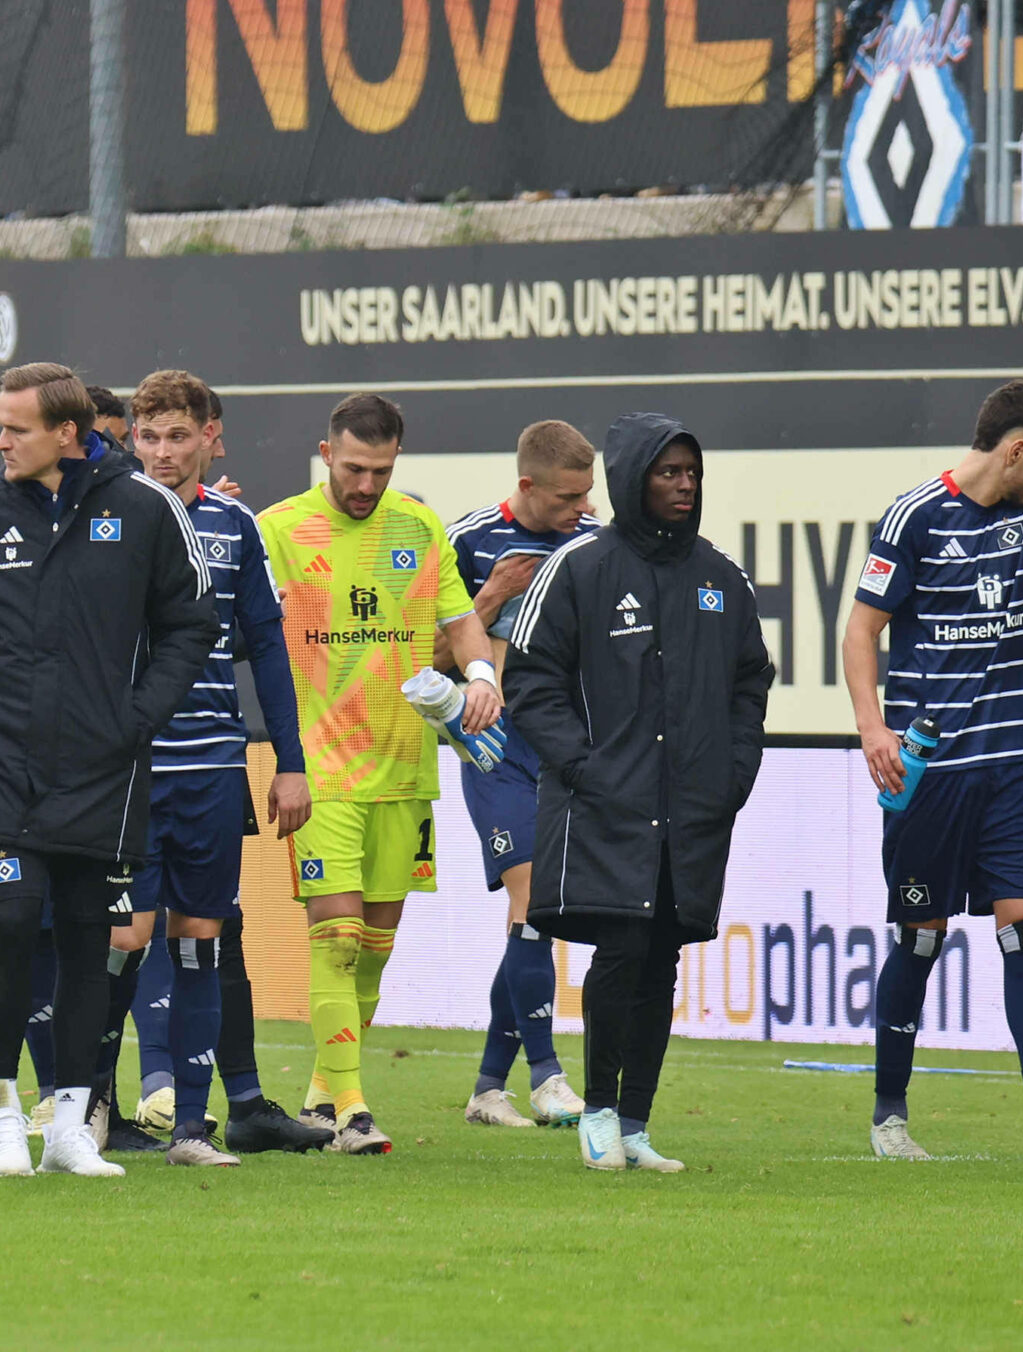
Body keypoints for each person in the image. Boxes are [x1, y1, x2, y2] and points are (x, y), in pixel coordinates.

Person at [0, 361, 216, 1178]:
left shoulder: (145, 509)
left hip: (106, 769)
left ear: (66, 435)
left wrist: (140, 717)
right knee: (9, 919)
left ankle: (72, 1124)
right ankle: (5, 1114)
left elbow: (191, 623)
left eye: (16, 427)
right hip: (1, 761)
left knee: (86, 939)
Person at [844, 380, 1023, 1163]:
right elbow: (861, 633)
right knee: (919, 939)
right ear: (1017, 450)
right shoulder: (914, 518)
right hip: (928, 774)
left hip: (1009, 770)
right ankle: (890, 1119)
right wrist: (874, 729)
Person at [504, 414, 773, 1172]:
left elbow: (751, 683)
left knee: (663, 960)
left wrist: (733, 774)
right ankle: (597, 1111)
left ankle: (637, 1125)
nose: (683, 485)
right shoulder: (581, 564)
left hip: (691, 810)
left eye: (691, 473)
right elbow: (531, 679)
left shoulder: (722, 577)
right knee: (621, 950)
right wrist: (585, 767)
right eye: (667, 473)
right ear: (631, 479)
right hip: (605, 806)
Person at [256, 393, 502, 1155]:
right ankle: (355, 1110)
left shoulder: (420, 527)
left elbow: (458, 618)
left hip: (402, 766)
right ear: (326, 454)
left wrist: (483, 674)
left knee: (374, 947)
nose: (366, 485)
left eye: (382, 471)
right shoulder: (278, 529)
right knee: (333, 937)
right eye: (355, 468)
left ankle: (323, 1097)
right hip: (319, 768)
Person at [121, 369, 322, 1165]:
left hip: (208, 764)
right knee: (123, 936)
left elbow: (269, 649)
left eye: (179, 436)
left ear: (213, 438)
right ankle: (92, 1110)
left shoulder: (236, 527)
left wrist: (290, 763)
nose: (163, 452)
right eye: (148, 436)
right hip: (126, 770)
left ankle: (191, 1129)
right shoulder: (107, 519)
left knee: (202, 936)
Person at [446, 421, 599, 1131]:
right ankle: (546, 1075)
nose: (580, 507)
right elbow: (426, 658)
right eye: (568, 496)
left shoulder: (590, 543)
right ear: (528, 485)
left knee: (531, 917)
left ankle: (486, 1088)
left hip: (566, 752)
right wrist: (492, 595)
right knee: (534, 903)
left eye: (587, 494)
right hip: (497, 748)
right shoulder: (470, 541)